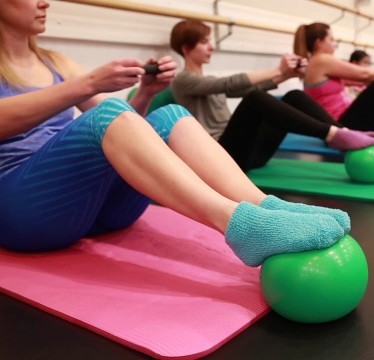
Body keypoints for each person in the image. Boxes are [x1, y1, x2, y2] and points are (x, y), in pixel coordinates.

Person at [0, 0, 348, 268]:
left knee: (169, 115)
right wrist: (87, 84)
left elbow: (119, 127)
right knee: (107, 113)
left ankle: (265, 207)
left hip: (93, 211)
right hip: (24, 215)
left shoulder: (56, 62)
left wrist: (146, 93)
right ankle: (241, 226)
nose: (45, 2)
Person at [170, 20, 374, 172]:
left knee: (294, 95)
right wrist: (278, 69)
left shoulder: (206, 81)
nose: (211, 46)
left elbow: (236, 89)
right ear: (187, 48)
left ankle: (341, 134)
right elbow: (228, 83)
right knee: (254, 99)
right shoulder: (182, 81)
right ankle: (332, 134)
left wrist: (286, 75)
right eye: (204, 42)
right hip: (222, 159)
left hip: (251, 155)